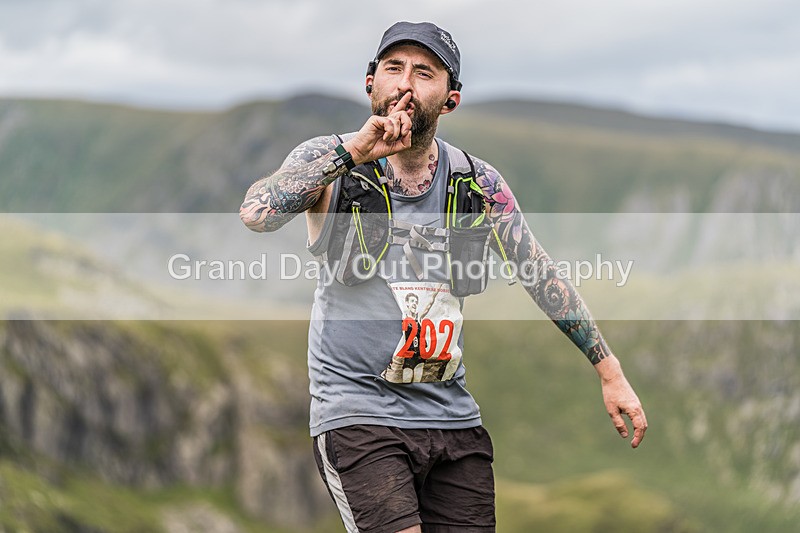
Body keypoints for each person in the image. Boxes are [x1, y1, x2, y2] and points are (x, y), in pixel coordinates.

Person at [240, 21, 647, 533]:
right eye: (393, 69)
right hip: (358, 414)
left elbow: (539, 273)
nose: (405, 84)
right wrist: (354, 154)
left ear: (450, 99)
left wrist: (609, 372)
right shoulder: (329, 160)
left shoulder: (477, 182)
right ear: (370, 83)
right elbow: (257, 212)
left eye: (424, 73)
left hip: (451, 417)